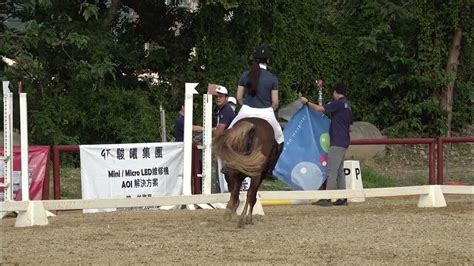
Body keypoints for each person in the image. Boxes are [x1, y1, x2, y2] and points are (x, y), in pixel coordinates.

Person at [300, 83, 353, 206]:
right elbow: (350, 127)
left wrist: (307, 102)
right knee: (339, 170)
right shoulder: (347, 105)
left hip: (337, 141)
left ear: (335, 92)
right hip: (345, 141)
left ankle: (327, 198)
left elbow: (319, 109)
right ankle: (343, 197)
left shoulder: (337, 103)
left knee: (331, 170)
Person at [230, 45, 284, 145]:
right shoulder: (272, 78)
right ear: (268, 60)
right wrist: (270, 109)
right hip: (266, 112)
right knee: (280, 138)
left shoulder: (245, 75)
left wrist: (246, 106)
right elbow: (275, 103)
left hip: (246, 111)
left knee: (227, 137)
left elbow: (239, 97)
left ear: (255, 59)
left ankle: (221, 160)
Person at [212, 86, 236, 193]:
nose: (218, 98)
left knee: (229, 172)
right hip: (229, 144)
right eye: (216, 97)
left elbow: (219, 131)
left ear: (226, 98)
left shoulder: (226, 110)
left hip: (230, 145)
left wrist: (205, 138)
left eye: (220, 96)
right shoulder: (223, 110)